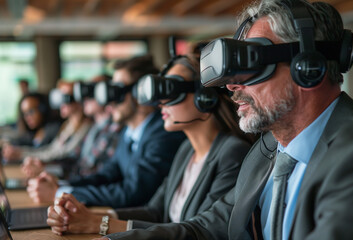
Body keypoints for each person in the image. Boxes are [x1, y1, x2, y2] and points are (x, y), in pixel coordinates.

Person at [85, 0, 353, 239]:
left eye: (251, 64)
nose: (232, 86)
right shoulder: (264, 153)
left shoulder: (352, 155)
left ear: (307, 66)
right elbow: (204, 229)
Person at [46, 55, 255, 236]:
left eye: (172, 89)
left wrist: (101, 225)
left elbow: (197, 231)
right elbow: (155, 211)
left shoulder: (231, 153)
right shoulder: (186, 151)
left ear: (205, 97)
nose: (161, 101)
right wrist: (90, 217)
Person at [26, 55, 186, 208]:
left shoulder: (163, 134)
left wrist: (61, 193)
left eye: (117, 91)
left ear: (141, 92)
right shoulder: (128, 132)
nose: (110, 100)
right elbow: (106, 175)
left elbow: (133, 192)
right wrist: (62, 185)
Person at [19, 80, 93, 178]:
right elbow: (52, 150)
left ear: (79, 100)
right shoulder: (68, 125)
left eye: (66, 98)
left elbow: (62, 154)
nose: (61, 103)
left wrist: (26, 156)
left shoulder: (86, 126)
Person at [2, 92, 62, 162]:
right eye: (25, 114)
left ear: (43, 109)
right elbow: (18, 139)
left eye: (31, 111)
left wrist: (20, 153)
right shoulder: (33, 133)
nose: (28, 117)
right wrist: (7, 144)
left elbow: (48, 152)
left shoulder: (53, 129)